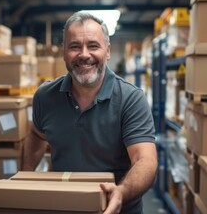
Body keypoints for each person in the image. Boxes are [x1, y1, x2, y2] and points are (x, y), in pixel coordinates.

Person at [23, 11, 158, 214]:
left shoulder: (130, 98)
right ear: (64, 53)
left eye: (93, 46)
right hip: (63, 208)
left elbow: (145, 160)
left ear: (108, 51)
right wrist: (25, 176)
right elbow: (36, 134)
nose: (84, 54)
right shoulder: (45, 96)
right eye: (75, 46)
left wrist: (121, 192)